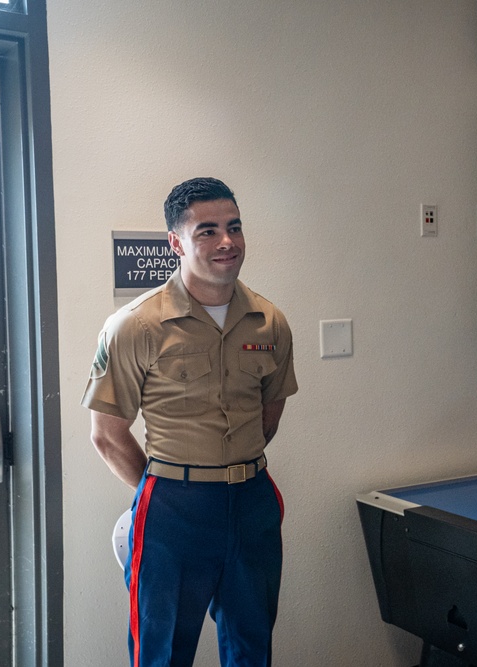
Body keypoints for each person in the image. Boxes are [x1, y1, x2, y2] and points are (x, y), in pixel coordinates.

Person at [82, 177, 298, 667]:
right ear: (176, 243)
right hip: (171, 509)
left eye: (234, 227)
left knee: (252, 646)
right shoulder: (135, 326)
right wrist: (169, 490)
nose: (227, 241)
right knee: (162, 653)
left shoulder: (271, 321)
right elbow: (108, 435)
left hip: (251, 502)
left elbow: (270, 414)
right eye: (207, 231)